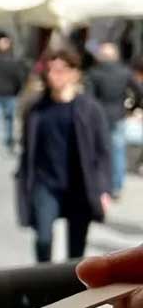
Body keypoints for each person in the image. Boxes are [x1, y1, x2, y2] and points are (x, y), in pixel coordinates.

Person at [16, 50, 111, 264]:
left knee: (76, 250)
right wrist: (24, 184)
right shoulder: (36, 110)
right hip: (46, 184)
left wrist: (104, 188)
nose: (53, 75)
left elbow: (103, 150)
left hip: (80, 185)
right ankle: (43, 284)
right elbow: (27, 151)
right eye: (49, 70)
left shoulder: (89, 108)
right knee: (43, 239)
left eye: (60, 70)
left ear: (74, 74)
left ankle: (71, 289)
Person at [85, 42, 139, 198]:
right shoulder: (125, 72)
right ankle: (116, 186)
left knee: (99, 150)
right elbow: (139, 90)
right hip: (118, 115)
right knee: (118, 151)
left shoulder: (93, 73)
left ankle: (101, 184)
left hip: (99, 116)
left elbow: (89, 97)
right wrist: (132, 107)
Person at [0, 35, 27, 158]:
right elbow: (19, 80)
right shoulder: (14, 63)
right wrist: (17, 92)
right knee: (9, 122)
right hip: (9, 95)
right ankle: (9, 146)